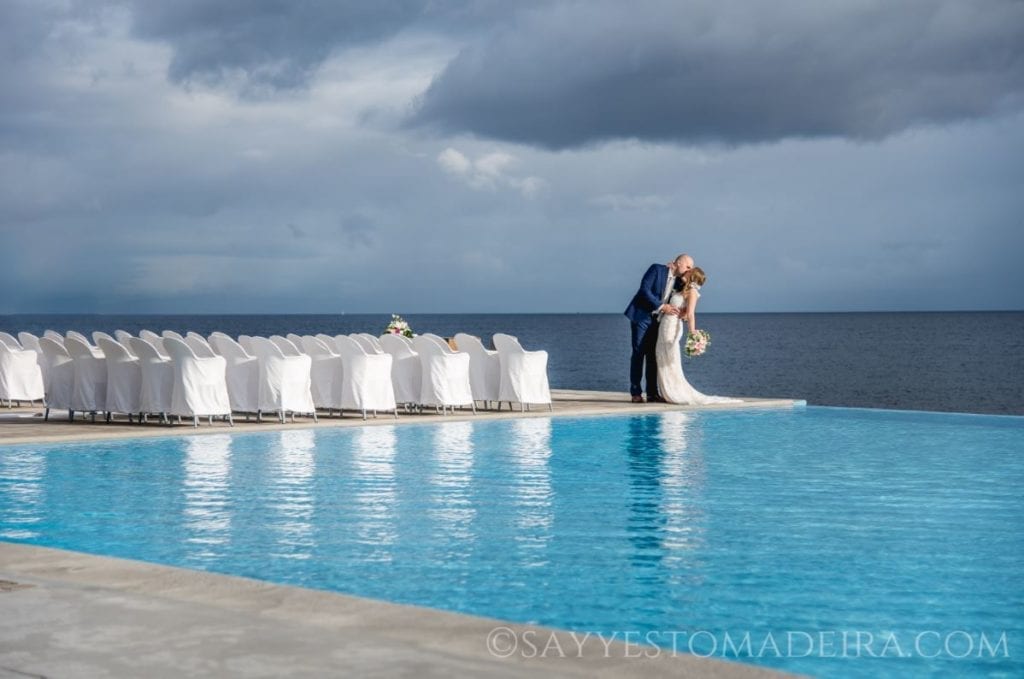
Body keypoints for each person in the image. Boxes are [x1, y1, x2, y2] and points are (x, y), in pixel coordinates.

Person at [656, 267, 741, 405]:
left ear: (691, 275)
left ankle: (674, 392)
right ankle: (666, 392)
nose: (685, 272)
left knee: (670, 356)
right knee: (661, 354)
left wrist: (692, 332)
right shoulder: (682, 288)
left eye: (688, 271)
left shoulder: (693, 292)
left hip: (672, 326)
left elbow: (690, 314)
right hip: (665, 323)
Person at [623, 254, 693, 403]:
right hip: (641, 316)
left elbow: (685, 295)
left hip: (658, 321)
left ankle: (652, 393)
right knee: (638, 352)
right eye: (688, 266)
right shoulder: (657, 269)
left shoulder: (680, 281)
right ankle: (635, 392)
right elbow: (644, 290)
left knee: (653, 355)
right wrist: (662, 306)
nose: (689, 270)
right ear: (678, 262)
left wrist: (685, 313)